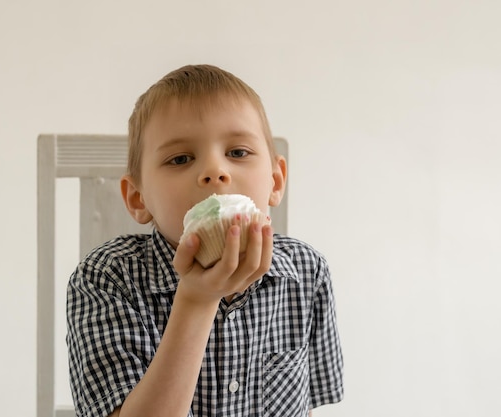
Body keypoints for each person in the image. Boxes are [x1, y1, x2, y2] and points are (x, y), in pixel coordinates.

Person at [66, 64, 344, 417]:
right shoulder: (106, 279)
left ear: (275, 181)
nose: (215, 171)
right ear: (138, 198)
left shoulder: (308, 273)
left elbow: (311, 403)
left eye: (238, 153)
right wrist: (197, 300)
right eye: (180, 158)